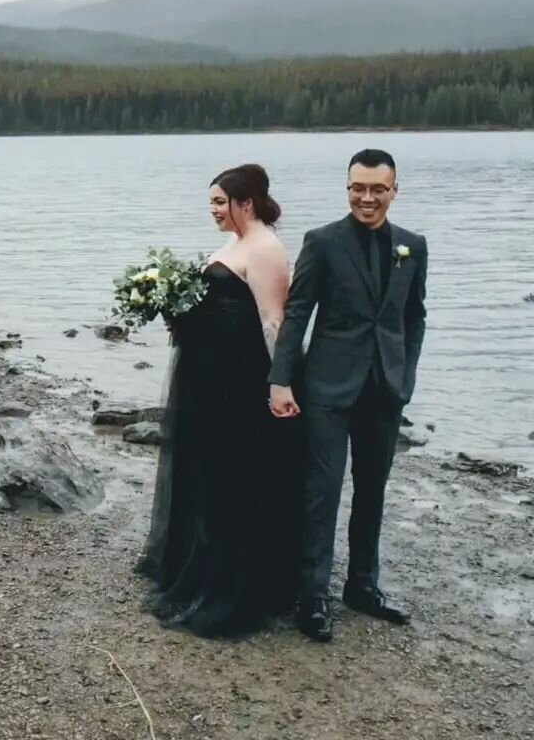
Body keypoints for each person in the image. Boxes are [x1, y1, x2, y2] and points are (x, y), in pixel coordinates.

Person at [135, 164, 302, 637]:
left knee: (236, 475)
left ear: (245, 202)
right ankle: (199, 564)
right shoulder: (235, 245)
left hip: (241, 381)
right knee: (208, 471)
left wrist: (281, 384)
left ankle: (238, 583)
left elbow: (274, 321)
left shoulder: (267, 248)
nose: (212, 211)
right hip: (212, 376)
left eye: (218, 202)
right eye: (211, 202)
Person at [269, 149, 428, 643]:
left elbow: (413, 317)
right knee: (322, 491)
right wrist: (280, 380)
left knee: (373, 490)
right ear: (348, 189)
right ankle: (313, 596)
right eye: (358, 187)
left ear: (394, 190)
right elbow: (297, 316)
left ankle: (363, 586)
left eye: (377, 188)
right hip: (328, 389)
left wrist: (406, 374)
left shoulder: (412, 247)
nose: (367, 197)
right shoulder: (322, 242)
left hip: (385, 390)